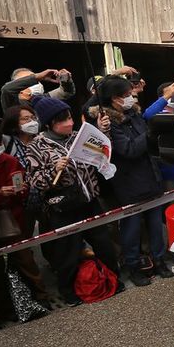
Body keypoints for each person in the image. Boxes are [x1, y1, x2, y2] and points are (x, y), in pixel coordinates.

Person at [23, 97, 120, 306]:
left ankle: (114, 280)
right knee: (68, 252)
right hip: (64, 207)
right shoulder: (36, 147)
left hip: (90, 200)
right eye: (61, 120)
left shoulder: (78, 137)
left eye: (69, 117)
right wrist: (54, 169)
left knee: (104, 244)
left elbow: (101, 154)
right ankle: (68, 291)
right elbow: (35, 181)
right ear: (48, 123)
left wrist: (104, 136)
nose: (68, 123)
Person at [98, 77, 173, 286]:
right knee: (131, 228)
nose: (132, 97)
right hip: (129, 183)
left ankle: (159, 261)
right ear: (114, 99)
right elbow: (128, 150)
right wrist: (150, 133)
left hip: (151, 177)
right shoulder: (109, 123)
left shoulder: (136, 114)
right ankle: (133, 266)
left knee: (156, 225)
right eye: (127, 95)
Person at [0, 122, 52, 313]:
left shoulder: (10, 161)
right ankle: (4, 306)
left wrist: (20, 190)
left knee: (25, 258)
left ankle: (41, 296)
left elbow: (21, 189)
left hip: (15, 217)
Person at [0, 67, 75, 111]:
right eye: (28, 81)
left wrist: (65, 79)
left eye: (32, 77)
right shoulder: (13, 104)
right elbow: (7, 90)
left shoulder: (41, 99)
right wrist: (38, 76)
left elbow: (66, 92)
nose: (34, 83)